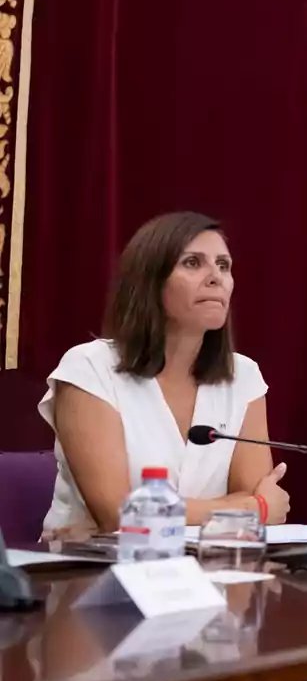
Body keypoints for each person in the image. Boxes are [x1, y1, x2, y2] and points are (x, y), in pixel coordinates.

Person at [39, 212, 290, 537]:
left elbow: (255, 495)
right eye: (192, 263)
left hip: (209, 570)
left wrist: (248, 507)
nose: (216, 277)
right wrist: (250, 508)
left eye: (223, 265)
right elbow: (119, 514)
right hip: (89, 574)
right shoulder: (89, 367)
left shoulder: (243, 376)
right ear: (150, 280)